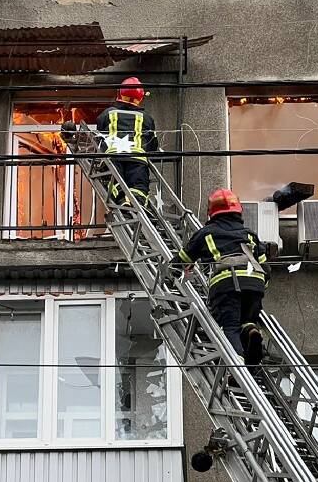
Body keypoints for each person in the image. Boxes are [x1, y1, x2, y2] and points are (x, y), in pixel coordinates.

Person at [176, 189, 270, 366]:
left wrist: (168, 275)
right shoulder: (249, 234)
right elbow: (265, 267)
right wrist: (261, 287)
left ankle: (237, 366)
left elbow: (182, 260)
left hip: (227, 285)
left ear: (212, 213)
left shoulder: (206, 233)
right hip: (254, 284)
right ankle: (251, 330)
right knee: (247, 320)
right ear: (238, 210)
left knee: (230, 326)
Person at [95, 76, 159, 207]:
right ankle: (138, 205)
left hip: (114, 157)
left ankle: (122, 200)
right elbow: (153, 145)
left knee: (113, 179)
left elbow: (100, 134)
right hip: (138, 159)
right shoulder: (147, 118)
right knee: (138, 186)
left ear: (120, 93)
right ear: (140, 98)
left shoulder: (107, 114)